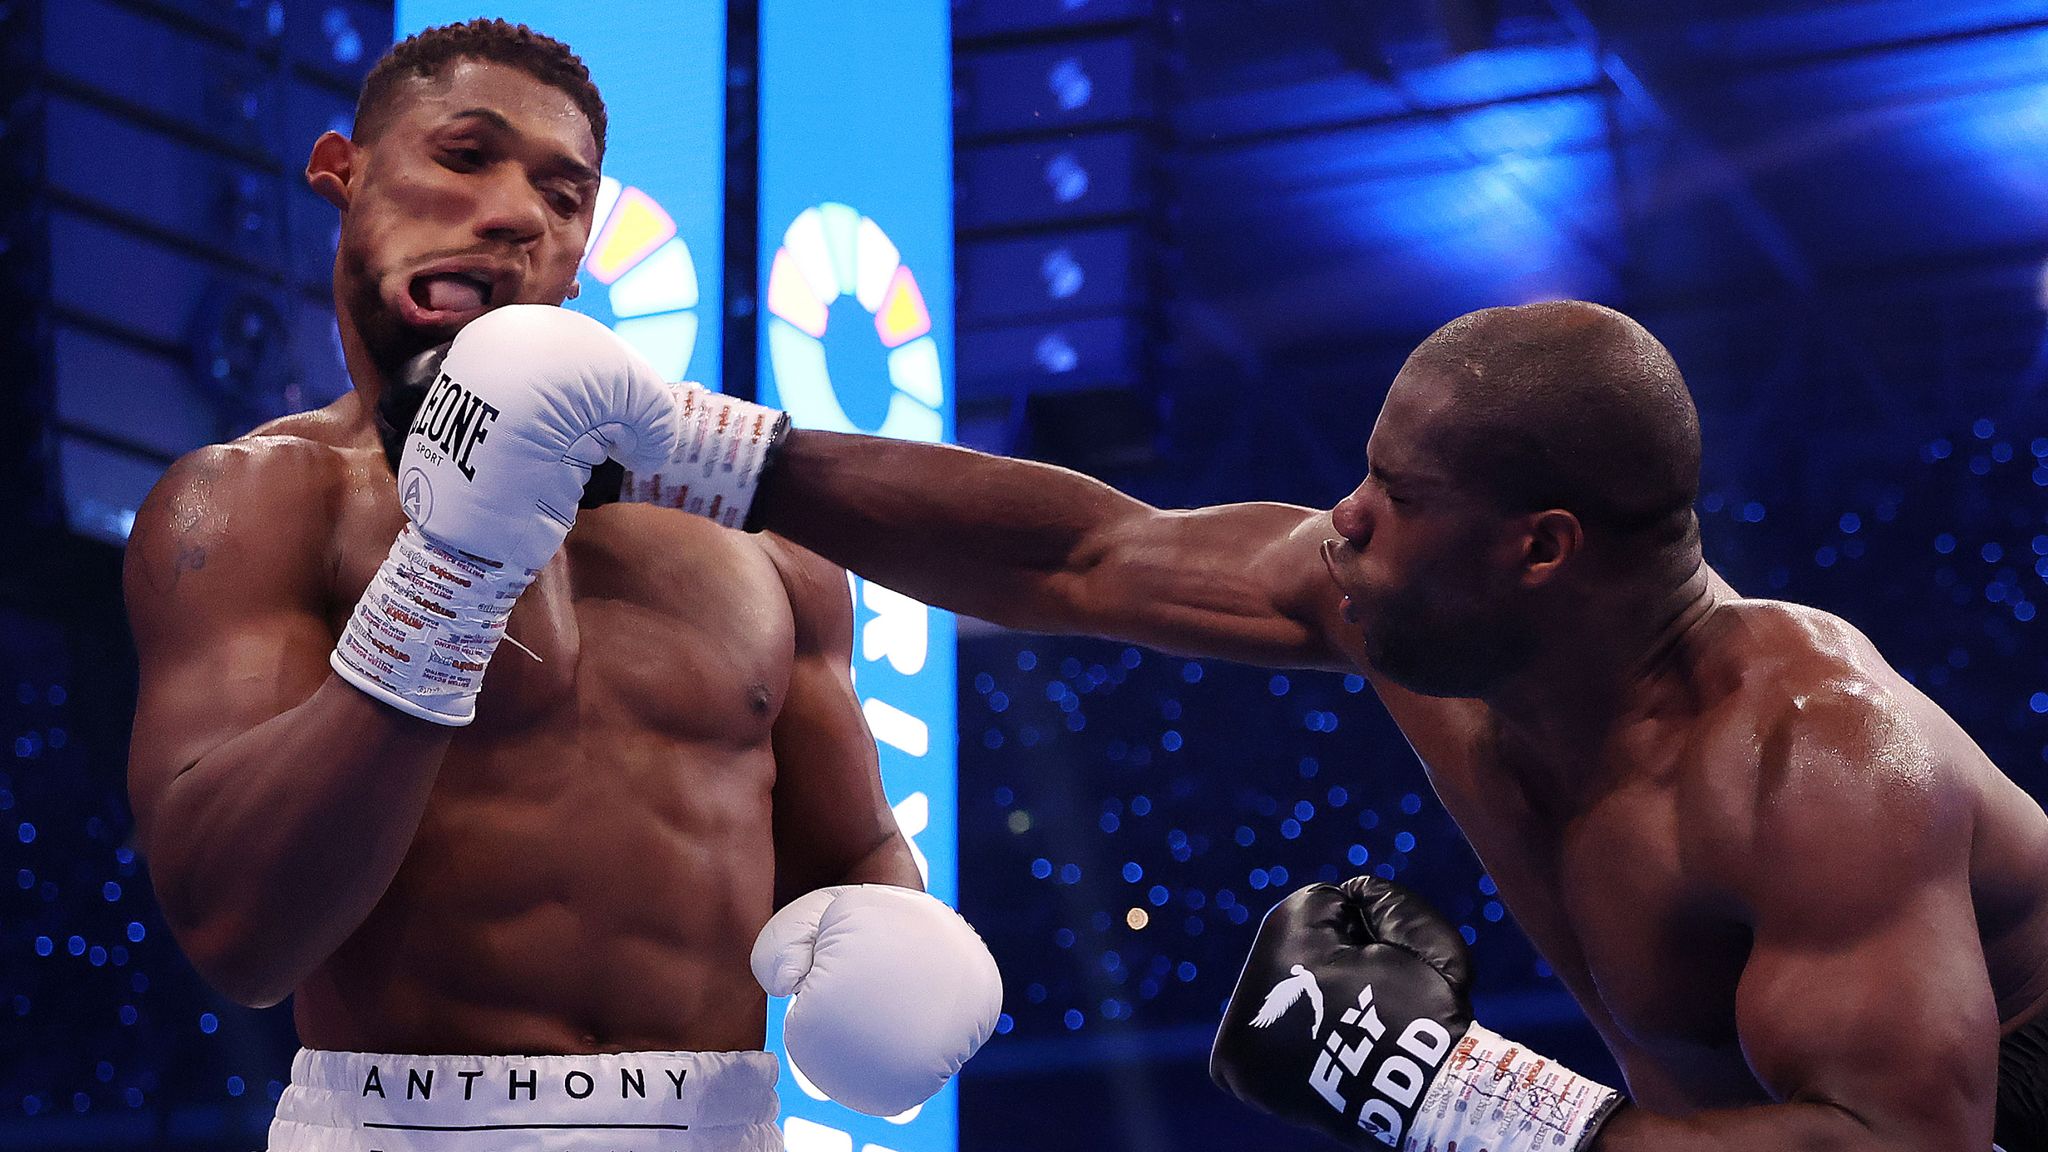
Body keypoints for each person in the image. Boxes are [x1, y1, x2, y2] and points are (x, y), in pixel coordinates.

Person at [716, 299, 2048, 1149]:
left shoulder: (1814, 763)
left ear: (1542, 548)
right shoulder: (1399, 606)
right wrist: (725, 458)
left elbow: (1906, 1148)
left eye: (1398, 492)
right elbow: (1081, 557)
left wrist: (1454, 1091)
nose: (1342, 518)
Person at [121, 20, 998, 1151]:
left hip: (722, 1126)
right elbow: (237, 932)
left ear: (581, 248)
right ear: (344, 172)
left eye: (565, 193)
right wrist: (444, 584)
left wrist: (899, 932)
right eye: (464, 155)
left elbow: (851, 851)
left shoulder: (752, 532)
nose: (515, 212)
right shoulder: (256, 506)